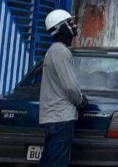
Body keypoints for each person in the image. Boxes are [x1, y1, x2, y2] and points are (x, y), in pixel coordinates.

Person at [39, 9, 87, 167]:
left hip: (52, 117)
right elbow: (70, 86)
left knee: (48, 161)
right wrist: (81, 101)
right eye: (70, 23)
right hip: (62, 118)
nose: (74, 26)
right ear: (60, 28)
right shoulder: (61, 52)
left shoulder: (52, 51)